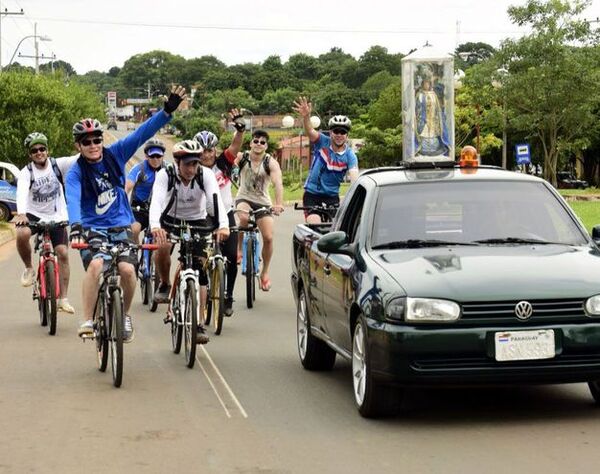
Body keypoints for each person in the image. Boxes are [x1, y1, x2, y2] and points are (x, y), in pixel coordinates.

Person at [66, 85, 187, 341]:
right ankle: (87, 319)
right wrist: (76, 226)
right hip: (92, 228)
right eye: (86, 142)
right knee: (97, 264)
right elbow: (73, 199)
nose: (93, 145)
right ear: (78, 146)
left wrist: (166, 111)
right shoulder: (76, 172)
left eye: (97, 139)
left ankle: (125, 315)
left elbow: (142, 133)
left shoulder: (116, 153)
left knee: (128, 271)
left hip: (121, 224)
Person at [149, 140, 229, 344]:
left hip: (198, 220)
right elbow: (157, 201)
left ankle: (199, 322)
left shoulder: (205, 175)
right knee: (163, 246)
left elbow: (215, 202)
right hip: (170, 219)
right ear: (177, 162)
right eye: (188, 164)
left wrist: (222, 225)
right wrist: (155, 226)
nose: (192, 169)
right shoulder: (164, 174)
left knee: (201, 270)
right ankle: (165, 284)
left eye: (195, 164)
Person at [13, 132, 78, 313]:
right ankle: (29, 269)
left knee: (62, 252)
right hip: (33, 214)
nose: (39, 152)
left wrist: (86, 143)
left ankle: (63, 299)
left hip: (57, 215)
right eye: (34, 150)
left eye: (42, 149)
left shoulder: (58, 165)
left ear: (47, 150)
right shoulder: (27, 173)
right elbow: (21, 192)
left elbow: (79, 157)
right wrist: (21, 213)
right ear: (30, 154)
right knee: (22, 233)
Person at [194, 108, 245, 316]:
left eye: (210, 150)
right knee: (201, 257)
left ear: (215, 151)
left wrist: (240, 129)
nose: (207, 155)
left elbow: (235, 145)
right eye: (203, 151)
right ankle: (204, 293)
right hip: (202, 217)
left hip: (225, 214)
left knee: (231, 256)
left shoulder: (223, 162)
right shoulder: (192, 167)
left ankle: (228, 295)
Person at [292, 96, 359, 224]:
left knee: (337, 228)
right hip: (312, 195)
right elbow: (310, 131)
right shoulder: (322, 141)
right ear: (330, 132)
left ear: (347, 135)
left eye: (342, 132)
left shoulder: (350, 155)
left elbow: (354, 177)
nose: (339, 135)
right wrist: (306, 116)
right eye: (336, 131)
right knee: (315, 225)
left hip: (332, 197)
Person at [234, 129, 284, 292]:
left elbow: (277, 183)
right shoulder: (242, 157)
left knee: (268, 237)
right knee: (242, 217)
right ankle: (240, 249)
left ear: (266, 146)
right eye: (256, 141)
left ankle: (264, 274)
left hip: (263, 202)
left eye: (262, 142)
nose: (258, 144)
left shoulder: (270, 162)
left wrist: (278, 203)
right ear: (251, 143)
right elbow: (227, 162)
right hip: (244, 198)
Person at [125, 137, 167, 243]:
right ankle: (134, 253)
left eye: (159, 156)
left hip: (160, 210)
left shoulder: (168, 169)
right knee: (134, 230)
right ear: (146, 156)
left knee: (164, 239)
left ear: (163, 156)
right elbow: (127, 188)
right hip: (139, 209)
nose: (156, 159)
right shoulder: (139, 169)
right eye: (152, 156)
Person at [415, 78, 449, 157]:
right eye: (425, 83)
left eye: (428, 83)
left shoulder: (433, 94)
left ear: (430, 84)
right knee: (424, 132)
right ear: (422, 84)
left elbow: (437, 107)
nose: (426, 85)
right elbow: (417, 107)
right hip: (424, 118)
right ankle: (422, 148)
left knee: (433, 132)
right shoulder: (420, 94)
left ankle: (436, 147)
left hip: (432, 117)